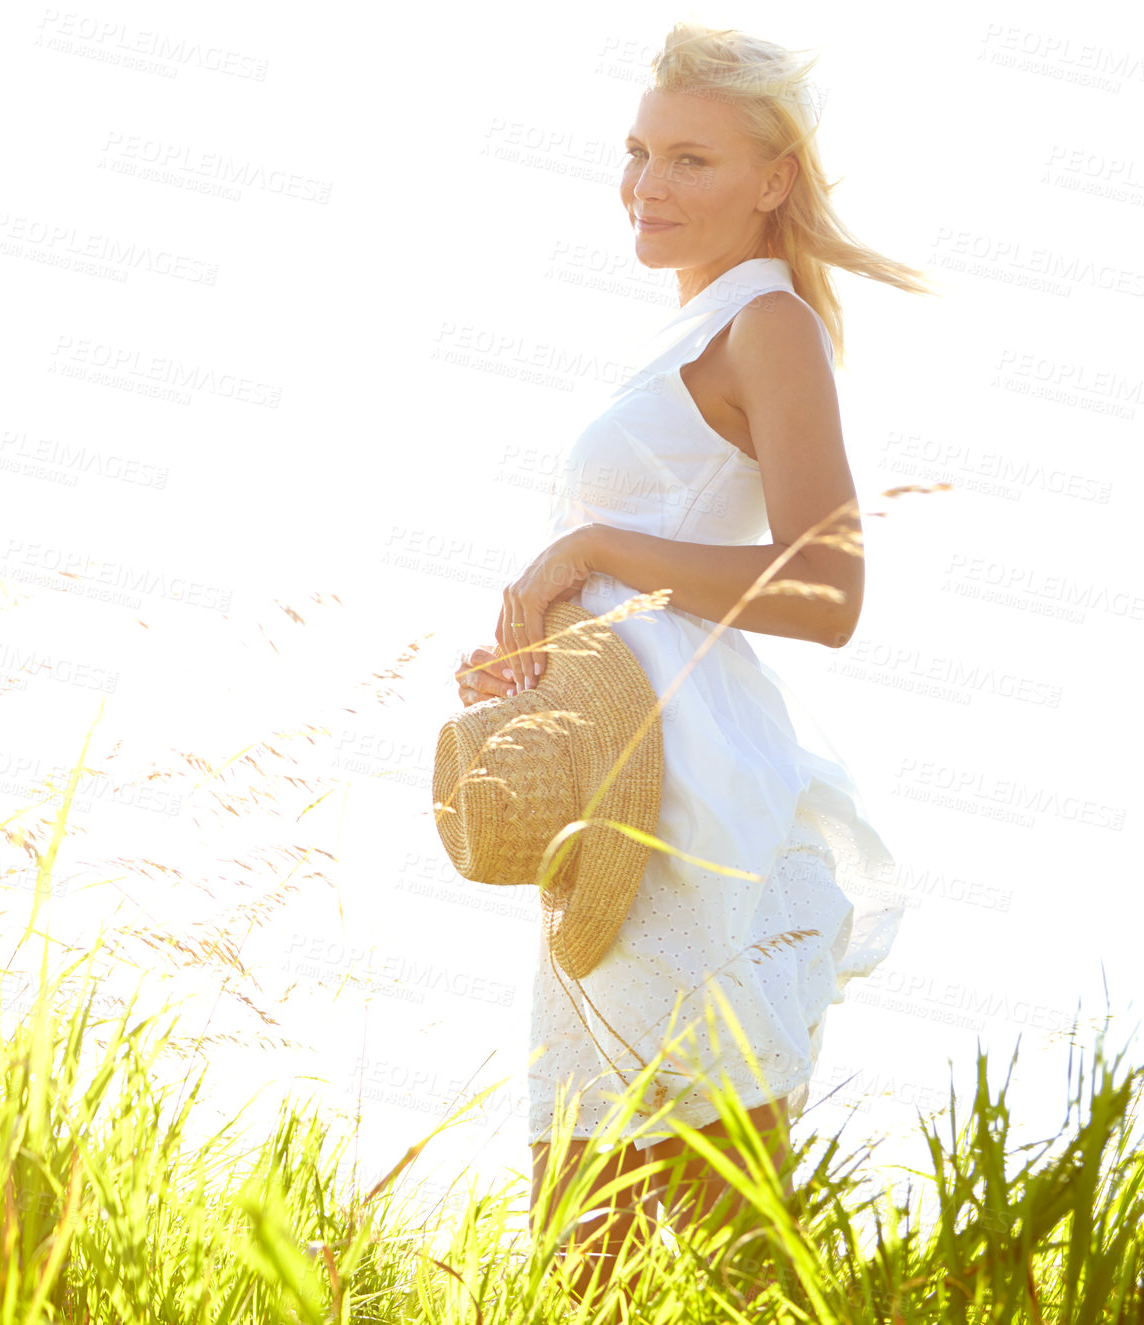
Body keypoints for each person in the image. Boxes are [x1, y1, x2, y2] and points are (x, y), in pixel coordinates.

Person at [453, 21, 934, 1303]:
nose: (645, 187)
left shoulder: (765, 323)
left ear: (771, 179)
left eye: (688, 160)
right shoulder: (695, 327)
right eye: (635, 154)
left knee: (721, 1223)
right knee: (579, 1227)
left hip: (695, 810)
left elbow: (827, 588)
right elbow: (648, 587)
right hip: (623, 794)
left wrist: (595, 542)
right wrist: (545, 656)